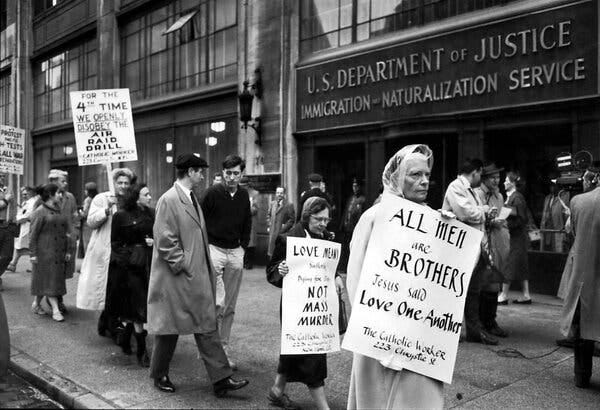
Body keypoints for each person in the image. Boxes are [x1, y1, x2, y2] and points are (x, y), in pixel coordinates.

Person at [346, 144, 444, 409]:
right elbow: (355, 277)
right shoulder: (374, 217)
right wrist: (374, 330)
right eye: (415, 174)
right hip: (380, 332)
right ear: (397, 178)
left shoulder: (436, 220)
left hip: (418, 332)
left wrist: (451, 237)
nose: (424, 181)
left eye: (426, 174)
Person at [147, 154, 249, 397]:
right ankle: (159, 374)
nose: (203, 176)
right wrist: (182, 264)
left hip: (195, 276)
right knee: (169, 328)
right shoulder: (169, 199)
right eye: (200, 171)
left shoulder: (190, 197)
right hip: (177, 278)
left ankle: (222, 379)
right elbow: (164, 238)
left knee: (206, 324)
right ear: (190, 171)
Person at [266, 197, 344, 410]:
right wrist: (280, 270)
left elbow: (328, 265)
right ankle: (323, 407)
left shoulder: (326, 237)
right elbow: (271, 270)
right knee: (312, 354)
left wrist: (336, 276)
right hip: (296, 307)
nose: (323, 224)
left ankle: (276, 391)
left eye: (326, 220)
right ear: (307, 216)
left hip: (318, 305)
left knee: (294, 349)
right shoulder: (288, 239)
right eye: (319, 219)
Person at [200, 154, 252, 370]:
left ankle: (223, 348)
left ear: (241, 174)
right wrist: (205, 248)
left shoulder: (243, 195)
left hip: (235, 251)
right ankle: (209, 350)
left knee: (230, 306)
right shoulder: (211, 193)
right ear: (222, 173)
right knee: (218, 302)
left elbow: (247, 222)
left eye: (236, 173)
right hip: (215, 249)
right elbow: (200, 222)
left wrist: (243, 246)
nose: (231, 177)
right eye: (228, 173)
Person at [443, 158, 499, 345]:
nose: (480, 179)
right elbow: (465, 213)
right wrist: (483, 210)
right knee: (458, 291)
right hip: (460, 248)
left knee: (473, 291)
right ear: (474, 172)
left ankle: (474, 332)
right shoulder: (456, 187)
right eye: (480, 174)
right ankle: (452, 331)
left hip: (474, 247)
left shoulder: (469, 190)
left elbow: (471, 213)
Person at [76, 168, 135, 340]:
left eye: (126, 183)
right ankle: (112, 325)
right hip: (105, 251)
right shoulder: (102, 198)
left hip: (124, 252)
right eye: (120, 182)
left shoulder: (130, 201)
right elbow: (91, 221)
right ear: (114, 183)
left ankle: (107, 322)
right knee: (109, 288)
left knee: (120, 290)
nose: (123, 186)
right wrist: (106, 210)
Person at [558, 174, 600, 388]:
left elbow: (570, 232)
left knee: (583, 329)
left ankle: (582, 376)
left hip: (584, 274)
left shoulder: (578, 202)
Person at [109, 184, 154, 367]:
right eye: (146, 194)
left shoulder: (150, 213)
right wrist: (129, 258)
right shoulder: (120, 216)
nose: (150, 197)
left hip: (147, 265)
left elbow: (156, 233)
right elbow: (115, 243)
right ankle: (142, 351)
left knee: (137, 307)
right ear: (136, 197)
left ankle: (126, 339)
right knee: (137, 308)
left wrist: (152, 242)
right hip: (128, 268)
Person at [475, 163, 510, 338]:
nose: (497, 181)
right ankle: (479, 323)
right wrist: (488, 221)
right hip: (480, 243)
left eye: (498, 177)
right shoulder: (476, 195)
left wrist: (499, 221)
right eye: (493, 178)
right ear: (484, 179)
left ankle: (490, 321)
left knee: (494, 282)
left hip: (496, 242)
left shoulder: (499, 196)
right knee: (481, 284)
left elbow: (501, 216)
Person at [30, 184, 73, 322]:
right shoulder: (40, 211)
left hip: (58, 252)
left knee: (47, 281)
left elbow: (65, 232)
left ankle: (36, 304)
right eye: (58, 193)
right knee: (51, 282)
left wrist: (68, 250)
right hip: (44, 252)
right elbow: (33, 234)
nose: (61, 195)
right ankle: (55, 310)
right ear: (50, 194)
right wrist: (33, 254)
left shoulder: (59, 210)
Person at [497, 171, 531, 305]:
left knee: (509, 264)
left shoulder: (517, 198)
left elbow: (522, 218)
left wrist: (506, 224)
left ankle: (504, 294)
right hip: (517, 236)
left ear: (512, 183)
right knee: (521, 265)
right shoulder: (513, 197)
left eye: (506, 180)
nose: (504, 182)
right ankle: (526, 295)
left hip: (516, 237)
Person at [48, 169, 79, 314]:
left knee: (63, 271)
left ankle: (53, 295)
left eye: (66, 181)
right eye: (63, 181)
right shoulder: (45, 195)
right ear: (53, 182)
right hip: (51, 240)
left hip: (67, 240)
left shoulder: (70, 197)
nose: (66, 183)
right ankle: (56, 299)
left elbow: (74, 215)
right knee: (54, 271)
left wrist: (75, 231)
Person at [6, 186, 37, 273]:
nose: (23, 196)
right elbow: (21, 213)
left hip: (29, 226)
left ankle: (34, 266)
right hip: (23, 226)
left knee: (27, 247)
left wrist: (18, 220)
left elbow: (27, 215)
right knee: (20, 246)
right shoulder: (26, 202)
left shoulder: (33, 203)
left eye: (25, 194)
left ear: (31, 193)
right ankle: (13, 264)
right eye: (22, 194)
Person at [339, 179, 365, 273]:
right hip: (347, 227)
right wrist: (342, 224)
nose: (355, 188)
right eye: (353, 186)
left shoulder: (362, 199)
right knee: (345, 248)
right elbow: (346, 212)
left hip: (354, 228)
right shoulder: (351, 198)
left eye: (356, 186)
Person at [540, 181, 570, 253]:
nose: (551, 187)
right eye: (551, 185)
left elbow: (567, 215)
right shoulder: (547, 198)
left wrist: (566, 231)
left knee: (559, 252)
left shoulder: (565, 197)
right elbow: (544, 216)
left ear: (559, 186)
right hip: (546, 231)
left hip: (559, 230)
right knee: (546, 251)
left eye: (554, 185)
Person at [267, 187, 295, 258]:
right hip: (272, 232)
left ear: (284, 194)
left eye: (281, 193)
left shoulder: (289, 205)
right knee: (271, 253)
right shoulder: (272, 204)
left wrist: (284, 227)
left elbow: (292, 220)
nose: (279, 194)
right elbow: (269, 215)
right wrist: (269, 224)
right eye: (278, 193)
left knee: (280, 254)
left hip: (282, 234)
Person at [239, 176, 259, 270]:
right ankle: (242, 262)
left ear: (248, 185)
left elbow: (255, 209)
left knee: (250, 243)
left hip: (251, 220)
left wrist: (244, 210)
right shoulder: (238, 193)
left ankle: (249, 263)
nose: (242, 187)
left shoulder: (254, 193)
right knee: (241, 242)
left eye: (244, 186)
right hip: (240, 221)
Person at [0, 174, 14, 291]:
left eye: (3, 176)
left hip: (8, 226)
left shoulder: (7, 190)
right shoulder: (6, 194)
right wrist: (6, 200)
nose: (2, 178)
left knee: (8, 255)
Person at [79, 182, 98, 257]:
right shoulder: (97, 198)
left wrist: (80, 212)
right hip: (96, 224)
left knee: (87, 245)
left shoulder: (88, 200)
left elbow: (85, 214)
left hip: (87, 225)